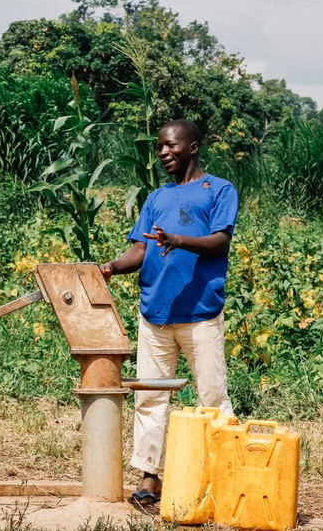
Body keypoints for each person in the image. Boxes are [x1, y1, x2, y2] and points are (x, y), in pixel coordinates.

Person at [100, 119, 238, 506]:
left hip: (201, 313)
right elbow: (139, 251)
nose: (163, 152)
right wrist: (109, 268)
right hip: (155, 314)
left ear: (192, 147)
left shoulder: (219, 190)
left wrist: (176, 239)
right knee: (149, 398)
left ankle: (225, 474)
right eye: (160, 146)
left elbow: (219, 243)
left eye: (171, 145)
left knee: (212, 395)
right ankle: (149, 478)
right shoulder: (156, 198)